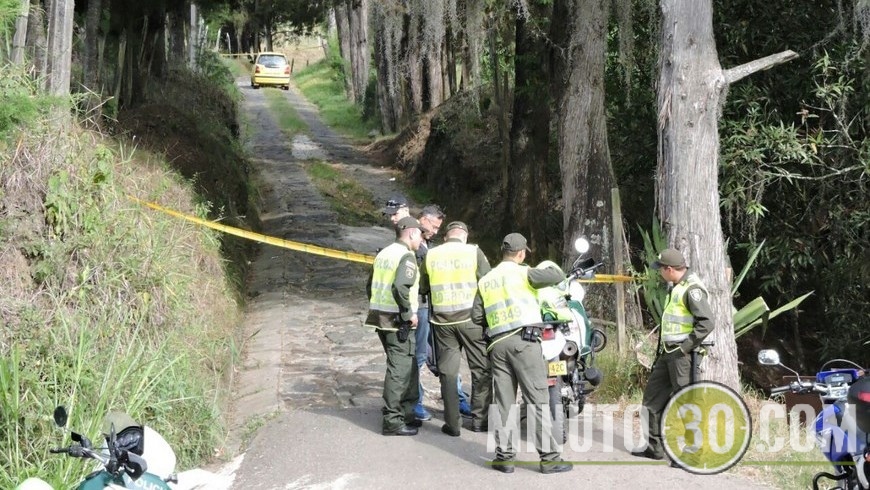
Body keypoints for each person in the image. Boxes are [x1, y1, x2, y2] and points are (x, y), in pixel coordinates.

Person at [471, 233, 573, 474]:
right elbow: (557, 275)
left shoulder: (486, 279)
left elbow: (476, 316)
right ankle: (549, 458)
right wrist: (531, 269)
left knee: (504, 401)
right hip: (525, 343)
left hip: (497, 345)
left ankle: (504, 458)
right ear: (520, 253)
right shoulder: (523, 273)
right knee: (537, 399)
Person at [631, 248, 716, 461]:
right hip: (668, 353)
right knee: (651, 398)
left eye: (660, 269)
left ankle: (694, 453)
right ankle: (653, 447)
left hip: (682, 356)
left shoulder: (691, 289)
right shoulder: (676, 287)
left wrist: (685, 347)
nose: (659, 273)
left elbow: (707, 322)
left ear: (669, 269)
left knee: (687, 402)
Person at [423, 221, 492, 437]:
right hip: (471, 320)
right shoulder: (473, 252)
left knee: (448, 373)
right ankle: (480, 421)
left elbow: (424, 287)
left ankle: (452, 424)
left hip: (443, 322)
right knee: (481, 369)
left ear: (446, 237)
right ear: (465, 236)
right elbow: (488, 282)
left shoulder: (432, 255)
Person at [364, 216, 425, 436]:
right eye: (421, 234)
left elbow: (370, 285)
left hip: (381, 319)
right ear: (410, 233)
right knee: (399, 371)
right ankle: (392, 421)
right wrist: (408, 314)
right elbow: (400, 287)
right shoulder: (406, 256)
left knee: (408, 367)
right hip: (398, 322)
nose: (422, 238)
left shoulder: (384, 253)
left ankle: (406, 414)